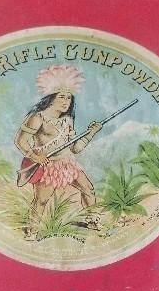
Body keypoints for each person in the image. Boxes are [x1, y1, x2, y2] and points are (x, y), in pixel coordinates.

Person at [15, 65, 102, 237]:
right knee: (41, 201)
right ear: (51, 97)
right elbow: (20, 141)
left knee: (88, 190)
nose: (66, 102)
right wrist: (34, 156)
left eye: (69, 98)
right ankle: (31, 231)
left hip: (68, 163)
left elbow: (76, 149)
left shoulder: (67, 120)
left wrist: (91, 133)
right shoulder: (38, 117)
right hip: (48, 166)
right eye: (62, 97)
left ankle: (91, 221)